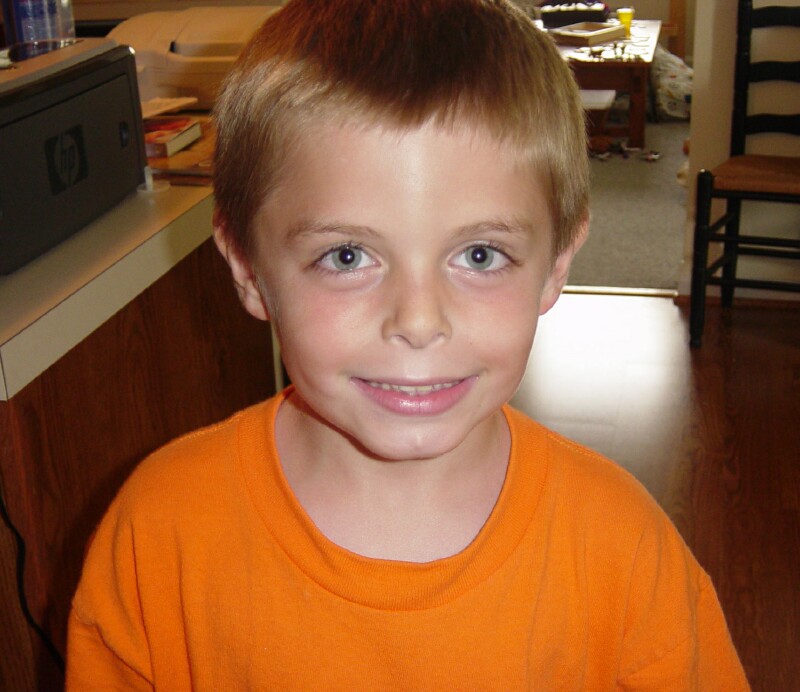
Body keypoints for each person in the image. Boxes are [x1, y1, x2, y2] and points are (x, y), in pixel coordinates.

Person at [66, 0, 750, 688]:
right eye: (346, 257)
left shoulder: (624, 551)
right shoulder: (158, 535)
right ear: (248, 269)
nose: (419, 322)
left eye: (480, 255)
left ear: (556, 266)